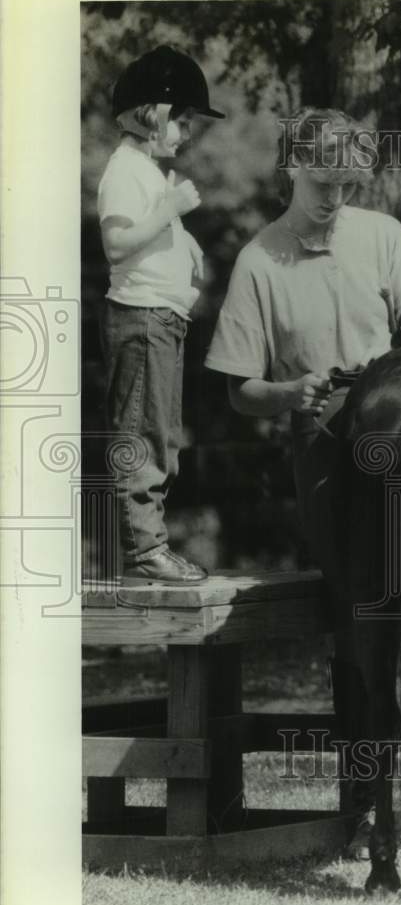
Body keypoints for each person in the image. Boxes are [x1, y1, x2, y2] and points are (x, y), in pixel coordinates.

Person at [204, 107, 401, 849]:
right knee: (358, 618)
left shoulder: (384, 237)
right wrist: (288, 392)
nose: (335, 197)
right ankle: (362, 800)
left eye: (349, 184)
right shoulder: (260, 260)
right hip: (327, 445)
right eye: (324, 181)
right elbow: (237, 388)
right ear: (293, 168)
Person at [98, 45, 224, 584]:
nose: (187, 133)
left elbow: (148, 230)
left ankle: (150, 544)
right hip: (143, 318)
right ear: (152, 113)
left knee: (162, 435)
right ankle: (143, 549)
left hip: (162, 320)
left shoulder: (145, 170)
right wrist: (171, 212)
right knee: (143, 434)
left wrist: (182, 238)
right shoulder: (125, 169)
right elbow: (118, 243)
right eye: (183, 120)